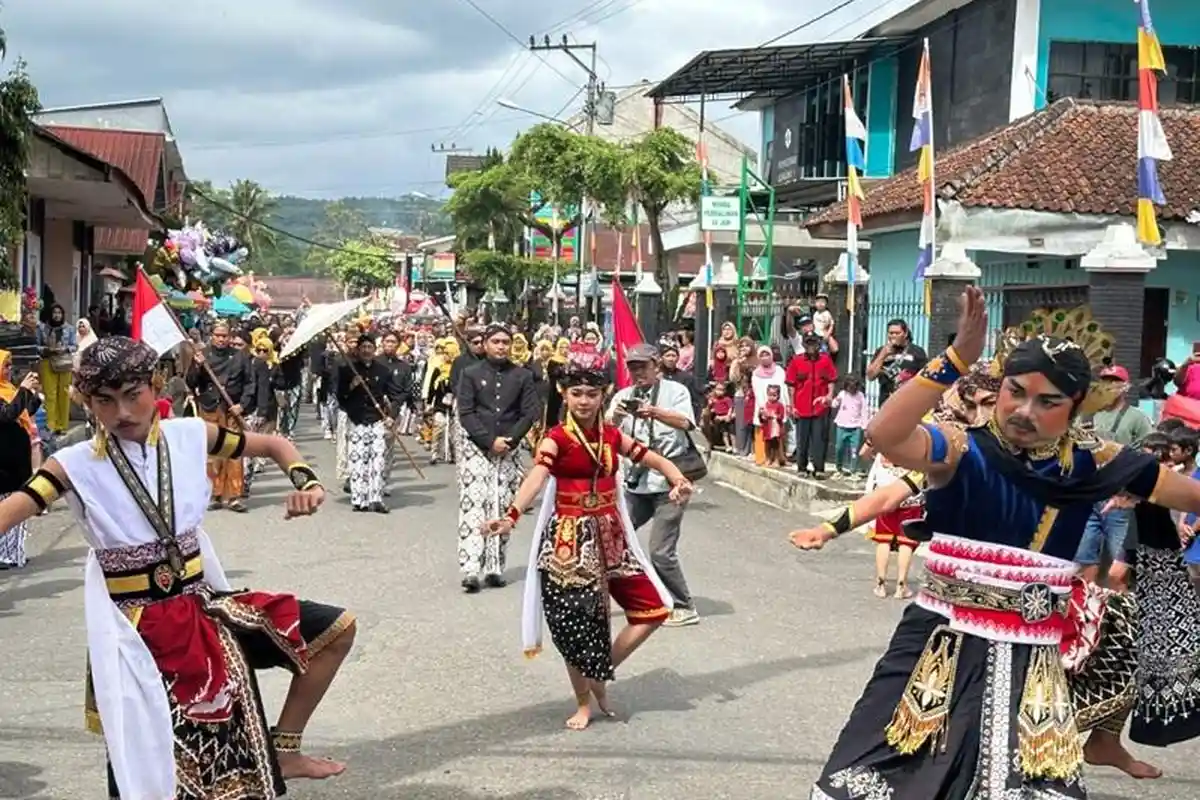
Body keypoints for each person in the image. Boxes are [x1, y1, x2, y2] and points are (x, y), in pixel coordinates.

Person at [801, 292, 1200, 799]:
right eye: (1015, 391)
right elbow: (885, 432)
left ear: (1077, 406)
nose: (1024, 411)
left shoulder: (1097, 461)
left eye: (1048, 401)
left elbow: (1190, 494)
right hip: (937, 642)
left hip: (1033, 656)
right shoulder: (963, 447)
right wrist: (955, 360)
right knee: (879, 780)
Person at [11, 336, 355, 799]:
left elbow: (275, 445)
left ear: (156, 387)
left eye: (134, 395)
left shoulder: (191, 434)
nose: (123, 413)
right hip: (137, 634)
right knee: (143, 765)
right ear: (86, 401)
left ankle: (286, 747)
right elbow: (14, 508)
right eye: (104, 401)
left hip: (203, 610)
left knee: (335, 629)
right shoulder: (73, 464)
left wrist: (307, 482)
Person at [482, 345, 690, 730]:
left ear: (604, 393)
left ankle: (600, 672)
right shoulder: (557, 438)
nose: (583, 400)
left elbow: (651, 457)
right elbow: (537, 477)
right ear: (564, 394)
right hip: (569, 541)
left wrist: (677, 478)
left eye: (591, 393)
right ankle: (583, 702)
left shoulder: (611, 435)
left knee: (654, 608)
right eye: (576, 393)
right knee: (576, 627)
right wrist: (511, 515)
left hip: (611, 535)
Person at [608, 343, 700, 628]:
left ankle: (684, 605)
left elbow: (687, 422)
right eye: (633, 368)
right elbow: (607, 430)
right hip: (637, 482)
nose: (638, 373)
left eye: (643, 367)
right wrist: (618, 418)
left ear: (656, 366)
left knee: (660, 549)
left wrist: (655, 412)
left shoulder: (676, 392)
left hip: (671, 481)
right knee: (612, 537)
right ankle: (638, 595)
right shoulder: (623, 395)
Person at [455, 324, 541, 592]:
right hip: (477, 449)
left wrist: (510, 440)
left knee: (502, 506)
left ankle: (495, 567)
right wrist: (488, 441)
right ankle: (470, 569)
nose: (501, 346)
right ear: (486, 344)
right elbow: (466, 411)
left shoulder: (522, 376)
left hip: (508, 448)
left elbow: (530, 412)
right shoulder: (470, 373)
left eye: (506, 342)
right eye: (496, 341)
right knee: (473, 506)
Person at [1076, 364, 1154, 589]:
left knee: (1118, 567)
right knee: (1084, 560)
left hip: (1120, 498)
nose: (1108, 387)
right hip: (1090, 495)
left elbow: (1149, 454)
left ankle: (1118, 615)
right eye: (1104, 382)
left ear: (1125, 388)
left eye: (1114, 382)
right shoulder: (1088, 416)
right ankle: (1088, 611)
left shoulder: (1136, 418)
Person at [187, 321, 253, 513]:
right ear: (212, 335)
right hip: (210, 408)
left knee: (234, 451)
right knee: (213, 452)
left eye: (225, 336)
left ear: (229, 337)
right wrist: (197, 367)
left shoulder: (239, 357)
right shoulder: (203, 355)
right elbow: (191, 381)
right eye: (218, 335)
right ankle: (214, 494)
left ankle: (234, 496)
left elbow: (250, 383)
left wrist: (243, 404)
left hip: (232, 409)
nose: (221, 339)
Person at [337, 333, 402, 514]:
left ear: (374, 349)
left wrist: (391, 415)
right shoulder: (347, 369)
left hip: (376, 420)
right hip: (357, 420)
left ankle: (376, 498)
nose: (366, 351)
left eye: (369, 347)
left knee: (378, 461)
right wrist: (351, 386)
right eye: (363, 347)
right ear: (358, 350)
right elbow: (340, 398)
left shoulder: (383, 371)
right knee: (358, 460)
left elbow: (395, 395)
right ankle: (359, 499)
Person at [0, 350, 40, 569]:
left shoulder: (8, 390)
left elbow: (22, 411)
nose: (8, 370)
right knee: (11, 509)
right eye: (5, 366)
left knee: (14, 508)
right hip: (5, 464)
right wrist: (23, 390)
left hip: (14, 461)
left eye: (9, 366)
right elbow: (6, 415)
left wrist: (33, 395)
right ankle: (6, 555)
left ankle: (13, 553)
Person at [786, 332, 837, 478]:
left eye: (814, 343)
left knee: (819, 439)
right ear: (803, 345)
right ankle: (802, 467)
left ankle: (819, 468)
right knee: (802, 440)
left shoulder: (825, 360)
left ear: (818, 345)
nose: (811, 346)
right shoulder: (797, 361)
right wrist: (792, 405)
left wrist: (829, 396)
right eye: (808, 343)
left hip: (819, 408)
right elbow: (791, 385)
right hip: (801, 407)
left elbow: (831, 379)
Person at [865, 318, 927, 406]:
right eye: (891, 333)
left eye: (897, 333)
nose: (893, 336)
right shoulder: (882, 351)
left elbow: (925, 378)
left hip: (908, 402)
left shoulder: (917, 352)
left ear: (905, 334)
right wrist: (883, 355)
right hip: (886, 402)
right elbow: (870, 376)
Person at [36, 303, 76, 435]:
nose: (57, 315)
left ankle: (62, 425)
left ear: (62, 315)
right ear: (50, 314)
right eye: (54, 313)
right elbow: (37, 346)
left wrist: (64, 349)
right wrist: (48, 349)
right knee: (50, 394)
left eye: (59, 313)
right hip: (48, 362)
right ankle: (50, 425)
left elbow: (74, 346)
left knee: (64, 394)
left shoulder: (69, 328)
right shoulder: (42, 328)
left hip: (64, 362)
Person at [831, 375, 868, 476]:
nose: (851, 390)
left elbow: (864, 411)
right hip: (842, 426)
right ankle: (838, 467)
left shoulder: (860, 396)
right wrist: (832, 401)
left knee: (854, 450)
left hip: (855, 427)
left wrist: (864, 427)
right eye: (849, 388)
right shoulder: (842, 394)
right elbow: (834, 404)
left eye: (854, 388)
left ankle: (853, 470)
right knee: (839, 448)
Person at [758, 384, 788, 467]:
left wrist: (773, 415)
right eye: (770, 395)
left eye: (774, 395)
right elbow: (762, 418)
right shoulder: (765, 405)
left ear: (778, 395)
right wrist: (761, 415)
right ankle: (768, 459)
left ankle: (777, 460)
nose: (772, 397)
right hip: (767, 428)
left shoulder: (780, 405)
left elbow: (781, 417)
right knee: (767, 445)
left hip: (776, 430)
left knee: (776, 445)